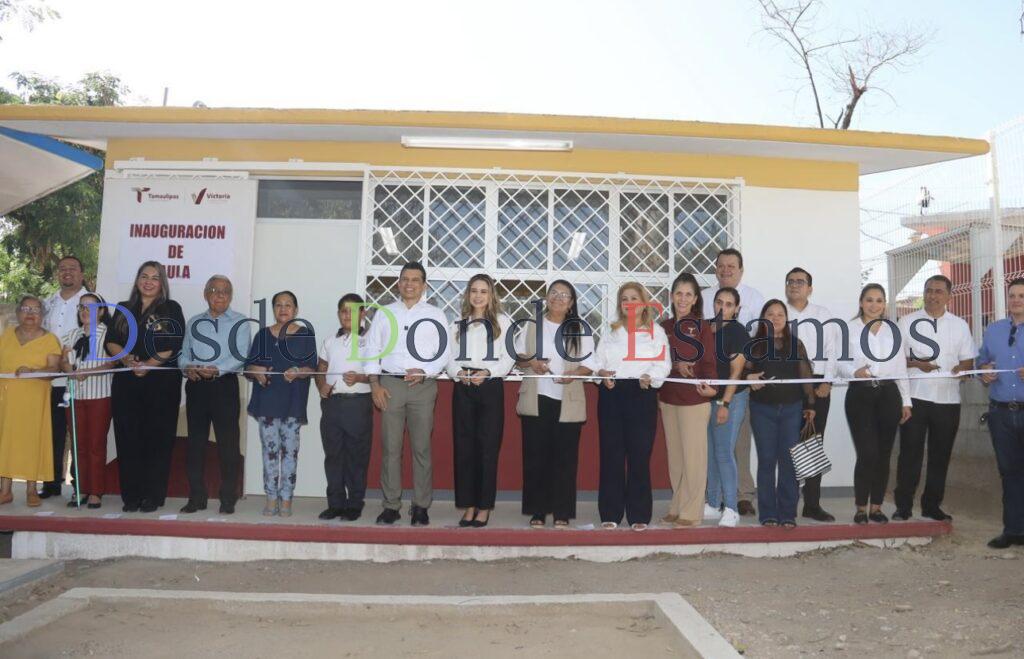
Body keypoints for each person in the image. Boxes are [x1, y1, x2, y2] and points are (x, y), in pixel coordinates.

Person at [364, 262, 450, 526]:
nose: (409, 284)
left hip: (423, 388)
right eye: (404, 279)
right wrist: (375, 385)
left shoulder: (436, 314)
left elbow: (444, 351)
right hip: (390, 386)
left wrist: (425, 371)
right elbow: (371, 350)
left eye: (415, 280)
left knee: (421, 448)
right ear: (398, 283)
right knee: (391, 448)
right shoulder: (384, 313)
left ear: (424, 286)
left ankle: (421, 506)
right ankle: (391, 505)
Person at [106, 261, 185, 513]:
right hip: (127, 381)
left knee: (157, 439)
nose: (148, 281)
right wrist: (127, 360)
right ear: (137, 280)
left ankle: (152, 495)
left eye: (154, 277)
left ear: (162, 283)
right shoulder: (123, 308)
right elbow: (111, 341)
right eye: (144, 276)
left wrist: (148, 365)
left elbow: (172, 343)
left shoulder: (170, 308)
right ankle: (131, 496)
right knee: (128, 437)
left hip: (161, 383)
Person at [515, 280, 596, 529]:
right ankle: (537, 511)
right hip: (536, 398)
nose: (558, 298)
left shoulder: (580, 329)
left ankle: (562, 512)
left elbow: (589, 364)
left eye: (565, 295)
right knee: (535, 458)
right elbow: (518, 357)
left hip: (567, 400)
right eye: (554, 293)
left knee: (565, 460)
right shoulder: (531, 326)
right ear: (546, 298)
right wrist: (532, 363)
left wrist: (574, 374)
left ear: (571, 303)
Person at [895, 275, 974, 522]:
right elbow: (895, 360)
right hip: (916, 398)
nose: (933, 295)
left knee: (941, 456)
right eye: (929, 290)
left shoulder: (960, 325)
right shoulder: (906, 322)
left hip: (948, 400)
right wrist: (918, 364)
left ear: (949, 296)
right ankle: (903, 506)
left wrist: (963, 369)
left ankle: (931, 505)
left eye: (939, 291)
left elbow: (967, 359)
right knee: (910, 455)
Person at [593, 282, 671, 531]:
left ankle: (639, 514)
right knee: (612, 455)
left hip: (641, 394)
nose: (629, 302)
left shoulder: (656, 332)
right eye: (624, 298)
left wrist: (651, 376)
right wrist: (601, 373)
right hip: (612, 394)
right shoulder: (611, 331)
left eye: (634, 298)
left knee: (639, 456)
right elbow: (597, 363)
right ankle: (610, 513)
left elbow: (663, 364)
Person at [838, 284, 912, 525]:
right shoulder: (849, 329)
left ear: (884, 305)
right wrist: (854, 371)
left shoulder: (893, 331)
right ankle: (861, 507)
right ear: (861, 302)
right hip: (860, 395)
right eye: (869, 300)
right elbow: (839, 362)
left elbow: (901, 368)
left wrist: (906, 401)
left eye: (879, 300)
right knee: (867, 453)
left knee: (883, 454)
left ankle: (877, 507)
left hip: (890, 396)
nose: (874, 304)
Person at [447, 275, 515, 528]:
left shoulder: (503, 323)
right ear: (468, 294)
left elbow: (509, 358)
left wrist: (488, 373)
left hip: (490, 387)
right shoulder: (456, 324)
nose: (478, 295)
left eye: (483, 291)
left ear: (491, 295)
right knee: (464, 449)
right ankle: (469, 506)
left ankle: (484, 507)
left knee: (487, 449)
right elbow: (448, 358)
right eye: (474, 291)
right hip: (463, 388)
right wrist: (459, 373)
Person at [179, 276, 251, 515]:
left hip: (224, 386)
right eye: (214, 290)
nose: (219, 295)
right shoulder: (193, 322)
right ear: (205, 293)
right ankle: (196, 497)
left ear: (230, 296)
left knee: (228, 445)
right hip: (197, 386)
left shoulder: (240, 322)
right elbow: (183, 354)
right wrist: (188, 367)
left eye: (225, 291)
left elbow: (241, 355)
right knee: (195, 444)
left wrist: (216, 369)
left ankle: (228, 498)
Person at [702, 248, 764, 515]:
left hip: (735, 389)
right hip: (711, 389)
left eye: (732, 266)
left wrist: (749, 373)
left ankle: (738, 500)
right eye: (721, 266)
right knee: (715, 449)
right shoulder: (704, 299)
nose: (726, 270)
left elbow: (760, 343)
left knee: (734, 447)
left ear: (741, 269)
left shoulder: (754, 299)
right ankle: (713, 502)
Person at [745, 300, 816, 528]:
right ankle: (767, 514)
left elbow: (806, 376)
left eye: (780, 314)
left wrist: (811, 405)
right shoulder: (754, 346)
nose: (775, 318)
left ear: (786, 319)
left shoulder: (796, 344)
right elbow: (737, 374)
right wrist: (748, 380)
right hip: (761, 409)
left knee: (788, 462)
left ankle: (787, 513)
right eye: (770, 314)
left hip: (792, 409)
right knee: (766, 461)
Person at [246, 290, 317, 518]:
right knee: (270, 452)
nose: (283, 309)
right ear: (274, 309)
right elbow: (249, 367)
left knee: (290, 453)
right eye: (278, 305)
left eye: (288, 305)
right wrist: (256, 371)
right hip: (267, 402)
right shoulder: (263, 335)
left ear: (296, 310)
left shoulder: (305, 335)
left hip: (292, 404)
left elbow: (312, 369)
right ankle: (270, 497)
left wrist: (298, 371)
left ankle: (286, 499)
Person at [659, 273, 718, 527]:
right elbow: (657, 362)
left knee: (694, 458)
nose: (683, 298)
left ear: (695, 299)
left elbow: (709, 365)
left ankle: (692, 512)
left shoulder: (702, 327)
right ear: (671, 296)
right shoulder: (663, 327)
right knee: (676, 458)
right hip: (668, 398)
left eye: (688, 294)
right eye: (678, 293)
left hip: (694, 400)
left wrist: (709, 387)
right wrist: (675, 366)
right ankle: (677, 505)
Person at [784, 267, 840, 522]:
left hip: (818, 384)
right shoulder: (778, 315)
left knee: (813, 442)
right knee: (789, 443)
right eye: (790, 281)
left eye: (800, 282)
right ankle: (787, 502)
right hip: (788, 385)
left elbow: (832, 350)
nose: (795, 285)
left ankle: (812, 503)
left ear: (810, 288)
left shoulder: (822, 314)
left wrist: (827, 382)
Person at [315, 294, 373, 522]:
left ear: (363, 314)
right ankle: (335, 503)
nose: (347, 315)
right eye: (343, 311)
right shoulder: (330, 341)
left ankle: (354, 503)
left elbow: (378, 373)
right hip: (332, 405)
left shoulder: (371, 341)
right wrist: (321, 386)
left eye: (353, 310)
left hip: (358, 404)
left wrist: (360, 377)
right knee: (333, 455)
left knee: (356, 456)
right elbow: (321, 367)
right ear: (338, 314)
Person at [0, 296, 61, 506]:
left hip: (35, 400)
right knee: (5, 441)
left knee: (33, 441)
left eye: (35, 310)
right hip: (6, 399)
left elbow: (55, 370)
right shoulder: (6, 336)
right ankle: (5, 491)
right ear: (17, 313)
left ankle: (31, 490)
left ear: (42, 316)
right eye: (25, 309)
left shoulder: (50, 339)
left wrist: (33, 372)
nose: (30, 313)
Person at [977, 278, 1024, 549]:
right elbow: (981, 360)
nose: (1016, 299)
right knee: (1009, 472)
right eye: (1013, 295)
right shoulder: (994, 330)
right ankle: (1013, 530)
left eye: (1021, 295)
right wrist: (985, 372)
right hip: (1002, 413)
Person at [40, 255, 90, 499]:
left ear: (82, 274)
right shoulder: (48, 303)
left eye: (73, 268)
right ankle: (51, 483)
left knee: (79, 433)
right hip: (52, 380)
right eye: (62, 269)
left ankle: (78, 486)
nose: (67, 272)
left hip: (79, 378)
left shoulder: (90, 302)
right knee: (53, 432)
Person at [60, 293, 114, 509]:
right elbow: (63, 361)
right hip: (74, 395)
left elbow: (113, 363)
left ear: (101, 311)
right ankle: (79, 489)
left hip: (99, 395)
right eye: (82, 307)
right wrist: (69, 370)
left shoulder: (108, 335)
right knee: (77, 445)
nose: (85, 311)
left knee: (96, 445)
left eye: (91, 307)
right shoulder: (71, 335)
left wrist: (89, 372)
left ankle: (96, 491)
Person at [705, 287, 749, 528]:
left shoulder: (738, 332)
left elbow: (736, 372)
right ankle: (713, 503)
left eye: (729, 304)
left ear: (737, 308)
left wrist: (725, 404)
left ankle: (731, 508)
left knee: (724, 452)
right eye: (719, 302)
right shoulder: (706, 328)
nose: (723, 308)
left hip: (731, 399)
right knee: (711, 453)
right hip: (708, 399)